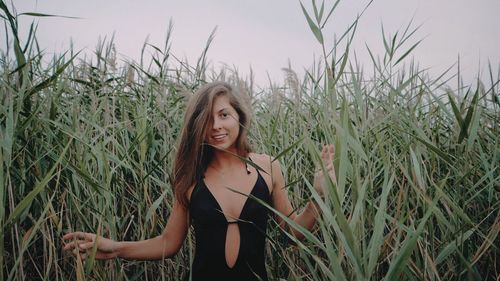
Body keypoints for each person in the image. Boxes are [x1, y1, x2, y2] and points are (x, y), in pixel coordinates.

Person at [63, 81, 336, 281]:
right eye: (206, 119)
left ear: (239, 117)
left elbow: (293, 233)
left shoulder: (268, 167)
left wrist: (319, 196)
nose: (216, 126)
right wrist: (115, 249)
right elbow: (169, 243)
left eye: (223, 115)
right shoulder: (190, 177)